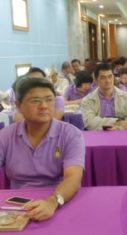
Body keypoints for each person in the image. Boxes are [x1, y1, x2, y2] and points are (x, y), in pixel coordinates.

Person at [0, 77, 85, 221]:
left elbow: (73, 178)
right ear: (19, 106)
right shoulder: (6, 136)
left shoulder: (71, 134)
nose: (44, 106)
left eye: (49, 99)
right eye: (35, 101)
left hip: (60, 198)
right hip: (17, 205)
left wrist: (52, 202)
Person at [81, 63, 127, 130]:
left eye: (110, 76)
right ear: (96, 80)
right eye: (103, 78)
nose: (107, 81)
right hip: (98, 136)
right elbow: (90, 123)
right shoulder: (87, 100)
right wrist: (117, 121)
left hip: (121, 135)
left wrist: (119, 128)